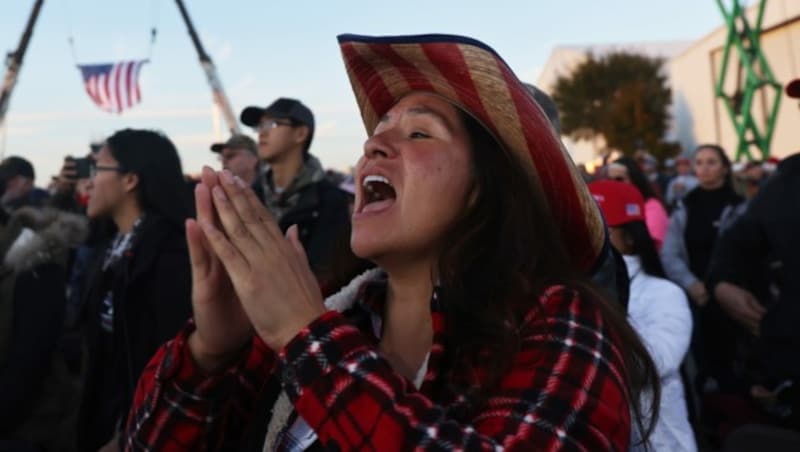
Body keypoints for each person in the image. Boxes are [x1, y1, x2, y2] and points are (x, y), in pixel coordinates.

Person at [123, 34, 660, 451]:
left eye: (419, 133)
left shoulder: (556, 320)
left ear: (484, 191)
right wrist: (209, 353)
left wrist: (306, 335)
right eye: (377, 131)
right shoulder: (339, 307)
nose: (373, 145)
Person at [75, 129, 194, 451]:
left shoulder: (173, 258)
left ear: (130, 180)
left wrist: (126, 435)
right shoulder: (108, 248)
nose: (87, 182)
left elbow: (174, 367)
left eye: (97, 169)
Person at [589, 180, 696, 451]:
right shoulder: (568, 289)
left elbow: (655, 362)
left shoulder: (665, 293)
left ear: (631, 236)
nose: (589, 238)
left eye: (602, 229)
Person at [661, 144, 745, 394]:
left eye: (711, 162)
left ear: (725, 168)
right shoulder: (684, 206)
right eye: (699, 162)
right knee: (704, 363)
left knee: (736, 364)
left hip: (734, 295)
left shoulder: (741, 206)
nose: (704, 168)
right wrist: (690, 284)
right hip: (697, 297)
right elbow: (670, 253)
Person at [239, 98, 352, 279]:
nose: (262, 133)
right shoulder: (248, 196)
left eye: (272, 124)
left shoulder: (330, 200)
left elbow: (326, 273)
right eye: (259, 126)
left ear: (300, 134)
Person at [607, 157, 670, 249]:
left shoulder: (652, 207)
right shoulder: (611, 209)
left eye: (619, 179)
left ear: (634, 179)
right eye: (609, 179)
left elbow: (652, 248)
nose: (613, 184)